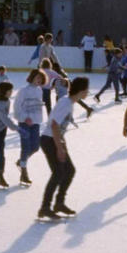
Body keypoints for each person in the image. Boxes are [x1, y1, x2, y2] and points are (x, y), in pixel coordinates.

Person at [37, 76, 89, 220]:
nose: (87, 93)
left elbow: (59, 128)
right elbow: (53, 125)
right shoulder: (66, 103)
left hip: (55, 139)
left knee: (69, 170)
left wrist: (62, 145)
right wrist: (59, 148)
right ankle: (45, 207)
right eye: (87, 90)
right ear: (82, 90)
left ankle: (59, 203)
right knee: (58, 173)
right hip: (49, 140)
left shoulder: (69, 102)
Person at [13, 69, 46, 186]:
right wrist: (24, 117)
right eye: (37, 77)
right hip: (24, 123)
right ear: (32, 77)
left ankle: (21, 161)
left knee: (35, 147)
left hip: (35, 123)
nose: (39, 80)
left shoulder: (39, 91)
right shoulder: (23, 91)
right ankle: (24, 173)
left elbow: (38, 106)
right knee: (25, 147)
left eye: (41, 78)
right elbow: (17, 107)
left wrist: (38, 118)